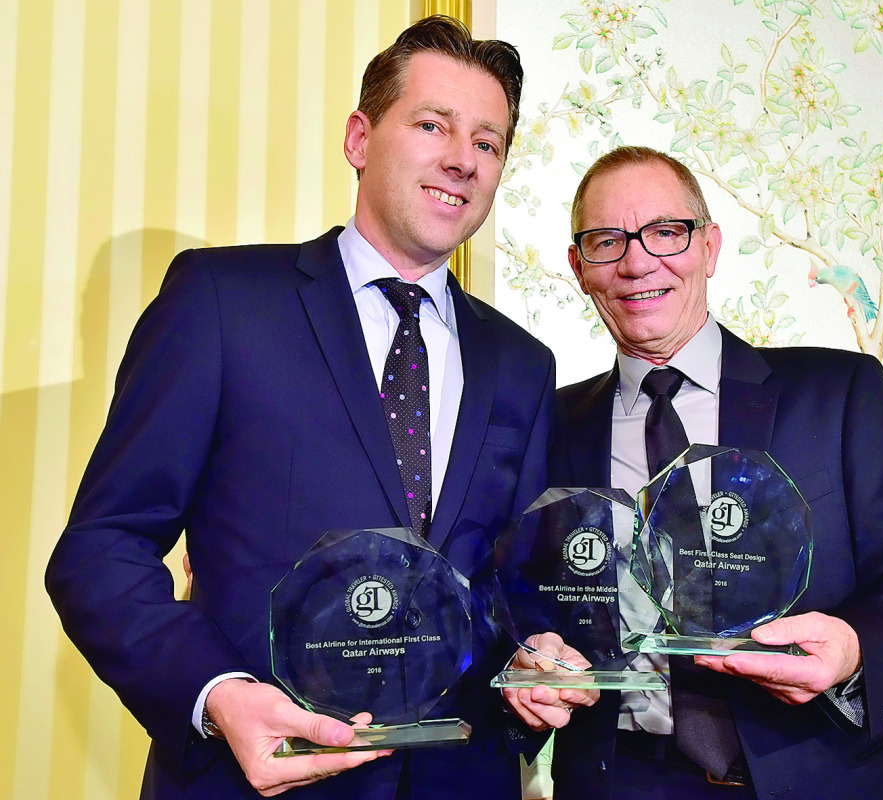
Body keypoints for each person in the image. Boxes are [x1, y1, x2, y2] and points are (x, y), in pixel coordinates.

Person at [45, 16, 552, 800]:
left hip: (460, 779)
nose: (463, 157)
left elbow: (513, 592)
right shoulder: (223, 302)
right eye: (432, 125)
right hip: (254, 782)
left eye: (488, 142)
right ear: (359, 138)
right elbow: (100, 549)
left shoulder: (523, 363)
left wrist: (535, 663)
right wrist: (216, 695)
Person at [502, 146, 883, 800]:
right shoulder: (549, 426)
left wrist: (852, 648)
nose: (638, 262)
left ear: (710, 247)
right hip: (623, 782)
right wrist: (528, 669)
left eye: (666, 232)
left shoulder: (838, 394)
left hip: (819, 778)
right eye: (607, 241)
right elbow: (512, 612)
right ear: (579, 268)